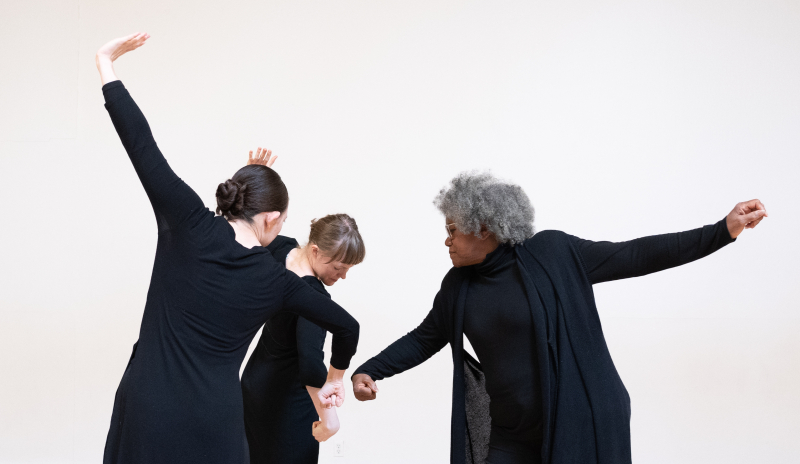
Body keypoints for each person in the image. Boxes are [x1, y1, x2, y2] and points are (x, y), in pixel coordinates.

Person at [351, 171, 767, 464]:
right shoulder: (458, 286)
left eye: (453, 229)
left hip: (577, 421)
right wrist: (370, 370)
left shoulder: (554, 253)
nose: (447, 240)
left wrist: (721, 231)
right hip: (511, 435)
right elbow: (426, 337)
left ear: (484, 228)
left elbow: (636, 254)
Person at [95, 33, 359, 464]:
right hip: (212, 420)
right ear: (272, 219)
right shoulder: (278, 280)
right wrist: (335, 377)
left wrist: (106, 65)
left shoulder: (187, 222)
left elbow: (142, 147)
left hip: (147, 406)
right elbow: (348, 327)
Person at [241, 210, 366, 464]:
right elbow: (310, 362)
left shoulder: (280, 247)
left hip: (254, 386)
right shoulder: (312, 296)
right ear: (317, 251)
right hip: (286, 404)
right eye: (339, 268)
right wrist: (330, 420)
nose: (342, 276)